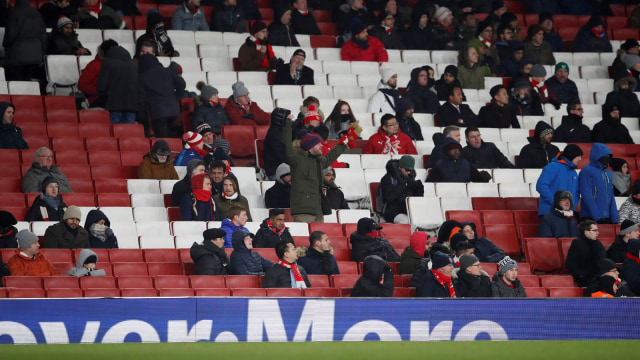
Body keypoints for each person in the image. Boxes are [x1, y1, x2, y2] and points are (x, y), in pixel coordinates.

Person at [278, 108, 351, 223]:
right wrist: (287, 125)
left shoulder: (318, 160)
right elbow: (287, 146)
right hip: (303, 211)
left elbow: (329, 158)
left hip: (318, 210)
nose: (322, 146)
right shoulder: (297, 159)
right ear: (310, 147)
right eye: (318, 144)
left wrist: (341, 145)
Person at [137, 53, 184, 138]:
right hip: (173, 111)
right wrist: (176, 98)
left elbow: (141, 99)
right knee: (171, 138)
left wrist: (141, 116)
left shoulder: (143, 77)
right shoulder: (167, 71)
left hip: (158, 112)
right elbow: (182, 84)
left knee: (163, 139)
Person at [2, 0, 48, 83]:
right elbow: (43, 37)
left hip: (17, 56)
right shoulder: (36, 13)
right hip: (35, 57)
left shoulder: (14, 12)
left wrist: (5, 45)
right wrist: (42, 54)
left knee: (16, 85)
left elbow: (11, 34)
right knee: (27, 84)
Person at [536, 144, 582, 217]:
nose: (580, 159)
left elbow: (576, 192)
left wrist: (571, 207)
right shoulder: (552, 167)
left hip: (567, 214)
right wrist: (556, 203)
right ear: (571, 156)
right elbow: (541, 186)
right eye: (578, 156)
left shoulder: (574, 172)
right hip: (550, 212)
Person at [96, 45, 138, 125]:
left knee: (115, 132)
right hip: (132, 106)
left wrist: (104, 100)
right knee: (129, 134)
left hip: (114, 105)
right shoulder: (134, 65)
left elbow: (102, 85)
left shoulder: (107, 63)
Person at [579, 143, 618, 224]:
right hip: (589, 217)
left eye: (608, 156)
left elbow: (611, 196)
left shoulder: (608, 173)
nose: (607, 159)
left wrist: (614, 218)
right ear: (597, 156)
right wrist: (597, 217)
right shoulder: (586, 171)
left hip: (606, 217)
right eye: (605, 156)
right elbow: (587, 195)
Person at [379, 156, 424, 223]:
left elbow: (415, 197)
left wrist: (419, 189)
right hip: (392, 210)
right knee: (406, 221)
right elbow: (388, 198)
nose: (409, 172)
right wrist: (404, 185)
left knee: (422, 218)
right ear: (399, 168)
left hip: (408, 208)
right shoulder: (388, 179)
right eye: (406, 170)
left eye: (410, 170)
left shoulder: (410, 177)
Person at [426, 138, 491, 183]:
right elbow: (429, 184)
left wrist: (484, 176)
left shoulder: (466, 164)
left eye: (458, 148)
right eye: (453, 149)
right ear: (447, 151)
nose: (456, 151)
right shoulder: (439, 165)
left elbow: (478, 180)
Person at [566, 219, 606, 287]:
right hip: (585, 280)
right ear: (586, 232)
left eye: (597, 230)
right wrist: (582, 275)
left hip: (599, 277)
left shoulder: (597, 243)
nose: (598, 233)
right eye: (594, 230)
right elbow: (570, 264)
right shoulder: (577, 243)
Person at [78, 39, 118, 107]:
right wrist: (99, 90)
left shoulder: (118, 65)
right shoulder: (94, 66)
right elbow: (82, 85)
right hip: (97, 101)